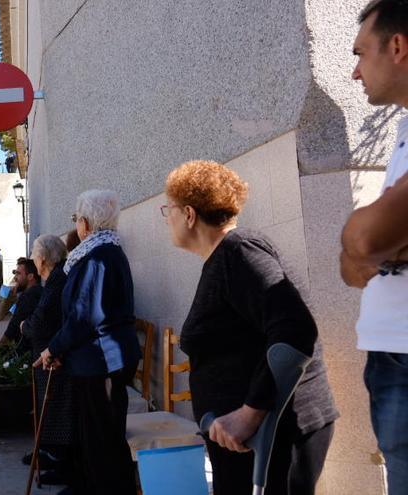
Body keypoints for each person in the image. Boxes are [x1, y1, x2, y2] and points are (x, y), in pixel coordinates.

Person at [164, 160, 338, 494]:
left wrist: (249, 414)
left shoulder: (238, 251)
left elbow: (296, 329)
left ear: (188, 214)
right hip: (244, 442)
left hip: (269, 436)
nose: (166, 219)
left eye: (167, 209)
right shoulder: (224, 258)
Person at [342, 1, 408, 488]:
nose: (354, 71)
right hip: (391, 350)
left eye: (361, 53)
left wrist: (373, 239)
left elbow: (362, 238)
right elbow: (351, 264)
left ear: (398, 46)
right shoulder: (404, 130)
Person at [35, 190, 140, 495]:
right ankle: (90, 485)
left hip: (102, 362)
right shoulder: (99, 251)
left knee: (103, 438)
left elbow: (83, 315)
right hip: (95, 360)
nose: (76, 223)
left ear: (85, 223)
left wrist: (53, 348)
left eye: (76, 218)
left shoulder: (100, 255)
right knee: (95, 434)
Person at [21, 234, 72, 486]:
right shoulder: (54, 278)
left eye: (34, 253)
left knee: (56, 411)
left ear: (42, 259)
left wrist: (24, 327)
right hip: (50, 356)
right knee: (50, 410)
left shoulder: (57, 280)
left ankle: (62, 463)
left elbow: (41, 321)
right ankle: (53, 456)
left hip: (55, 359)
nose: (32, 257)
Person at [0, 258, 42, 352]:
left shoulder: (29, 296)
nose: (15, 277)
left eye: (18, 273)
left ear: (30, 276)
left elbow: (14, 324)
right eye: (15, 273)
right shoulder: (39, 291)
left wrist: (0, 344)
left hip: (27, 348)